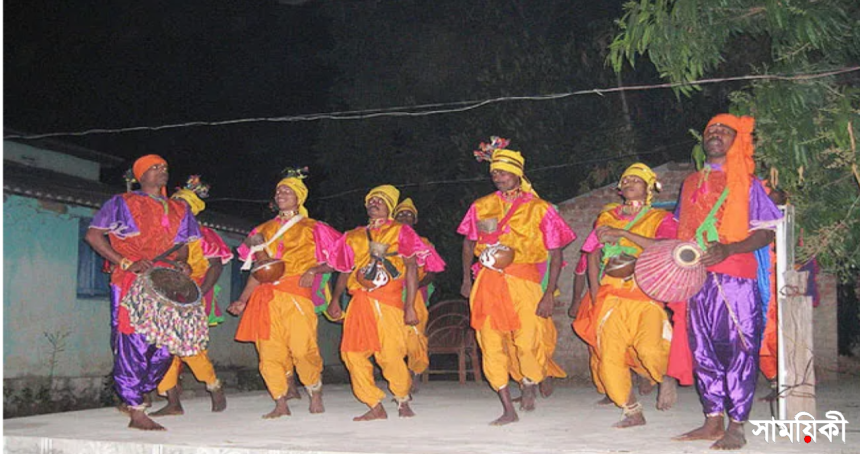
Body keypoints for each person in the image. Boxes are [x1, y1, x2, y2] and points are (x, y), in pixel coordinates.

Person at [672, 114, 782, 450]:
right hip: (696, 278)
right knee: (702, 350)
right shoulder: (690, 182)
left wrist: (730, 248)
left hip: (736, 276)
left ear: (736, 140)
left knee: (738, 350)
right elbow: (681, 232)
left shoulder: (749, 182)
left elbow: (765, 231)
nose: (715, 135)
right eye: (710, 131)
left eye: (723, 131)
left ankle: (737, 425)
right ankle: (712, 420)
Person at [458, 137, 576, 425]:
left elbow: (555, 253)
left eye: (504, 171)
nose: (498, 176)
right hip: (487, 282)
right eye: (494, 172)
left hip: (524, 282)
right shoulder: (481, 205)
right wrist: (466, 279)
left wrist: (548, 293)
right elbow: (467, 243)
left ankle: (530, 382)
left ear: (518, 174)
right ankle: (506, 406)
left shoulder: (540, 208)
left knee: (527, 340)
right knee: (490, 341)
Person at [85, 154, 201, 431]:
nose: (162, 171)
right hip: (131, 279)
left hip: (167, 282)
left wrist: (182, 262)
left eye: (165, 167)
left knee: (165, 346)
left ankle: (139, 393)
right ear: (140, 175)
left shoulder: (179, 208)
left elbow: (182, 245)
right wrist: (125, 262)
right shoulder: (122, 203)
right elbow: (93, 235)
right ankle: (136, 409)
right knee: (132, 341)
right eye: (155, 167)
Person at [227, 169, 341, 418]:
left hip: (296, 294)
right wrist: (242, 300)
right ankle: (280, 402)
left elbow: (339, 260)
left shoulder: (314, 228)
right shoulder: (262, 230)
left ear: (299, 197)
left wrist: (314, 269)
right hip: (265, 299)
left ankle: (315, 390)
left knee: (302, 349)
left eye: (287, 191)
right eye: (279, 190)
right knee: (268, 354)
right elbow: (258, 271)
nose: (281, 194)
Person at [325, 185, 445, 421]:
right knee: (351, 354)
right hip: (359, 302)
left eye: (380, 200)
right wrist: (336, 299)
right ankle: (374, 405)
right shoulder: (353, 235)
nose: (374, 203)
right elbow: (343, 270)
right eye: (371, 199)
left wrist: (410, 305)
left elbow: (412, 268)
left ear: (389, 207)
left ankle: (402, 398)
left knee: (389, 355)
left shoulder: (402, 232)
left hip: (388, 300)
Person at [578, 163, 678, 428]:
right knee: (608, 355)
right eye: (626, 180)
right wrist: (596, 291)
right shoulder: (606, 216)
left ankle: (666, 377)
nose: (630, 183)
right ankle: (631, 409)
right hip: (611, 293)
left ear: (648, 188)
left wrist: (623, 234)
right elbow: (592, 254)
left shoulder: (660, 219)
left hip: (645, 293)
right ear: (620, 189)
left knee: (649, 348)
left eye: (637, 180)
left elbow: (666, 246)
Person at [150, 176, 232, 416]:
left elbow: (216, 266)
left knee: (188, 346)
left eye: (182, 206)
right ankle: (173, 401)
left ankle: (213, 385)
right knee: (162, 347)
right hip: (165, 296)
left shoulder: (204, 234)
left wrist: (200, 293)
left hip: (193, 295)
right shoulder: (162, 235)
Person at [392, 198, 439, 392]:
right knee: (394, 335)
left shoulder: (425, 243)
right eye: (400, 214)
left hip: (415, 294)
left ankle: (415, 372)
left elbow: (432, 271)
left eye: (408, 214)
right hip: (390, 294)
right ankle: (398, 375)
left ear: (415, 220)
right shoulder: (386, 240)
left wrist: (414, 285)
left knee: (416, 333)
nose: (404, 217)